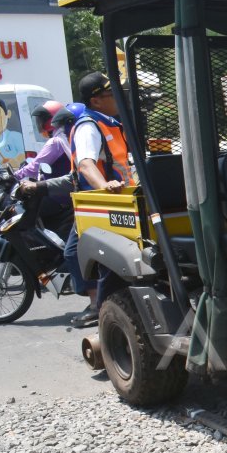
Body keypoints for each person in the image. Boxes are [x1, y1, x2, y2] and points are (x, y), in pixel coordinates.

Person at [67, 72, 134, 328]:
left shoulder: (111, 123)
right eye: (111, 93)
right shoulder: (89, 126)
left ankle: (100, 304)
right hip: (101, 203)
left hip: (117, 200)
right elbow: (85, 165)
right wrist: (104, 187)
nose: (117, 97)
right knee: (75, 252)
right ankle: (98, 305)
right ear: (95, 101)